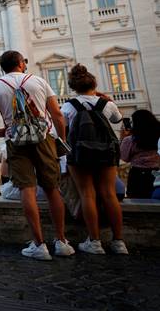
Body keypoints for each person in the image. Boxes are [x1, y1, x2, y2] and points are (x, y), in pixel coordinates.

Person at [0, 50, 75, 261]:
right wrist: (60, 139)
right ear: (20, 63)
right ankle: (62, 241)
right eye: (24, 61)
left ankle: (39, 245)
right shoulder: (38, 81)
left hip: (15, 141)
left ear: (2, 67)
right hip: (44, 138)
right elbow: (56, 114)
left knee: (27, 190)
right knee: (52, 189)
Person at [60, 64, 127, 255]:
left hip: (80, 154)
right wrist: (107, 99)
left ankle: (95, 242)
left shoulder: (68, 106)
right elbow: (117, 120)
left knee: (86, 194)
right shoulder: (107, 105)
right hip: (106, 153)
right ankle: (119, 242)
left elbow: (61, 130)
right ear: (94, 84)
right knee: (109, 194)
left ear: (73, 87)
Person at [121, 109, 160, 199]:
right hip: (157, 173)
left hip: (137, 175)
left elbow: (124, 157)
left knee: (137, 203)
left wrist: (123, 138)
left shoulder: (130, 139)